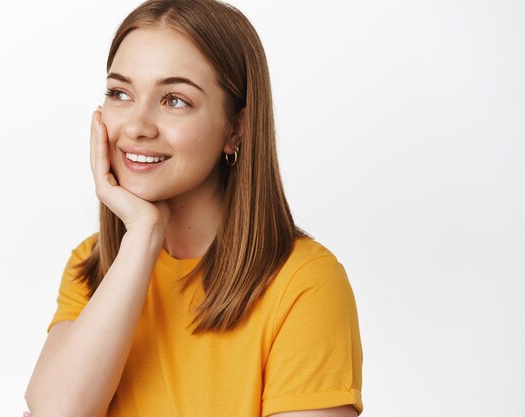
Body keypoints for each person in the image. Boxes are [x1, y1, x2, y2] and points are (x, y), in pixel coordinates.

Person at [24, 0, 363, 416]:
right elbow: (56, 411)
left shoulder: (303, 283)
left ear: (235, 128)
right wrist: (143, 235)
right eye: (120, 93)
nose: (136, 126)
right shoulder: (95, 264)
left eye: (175, 100)